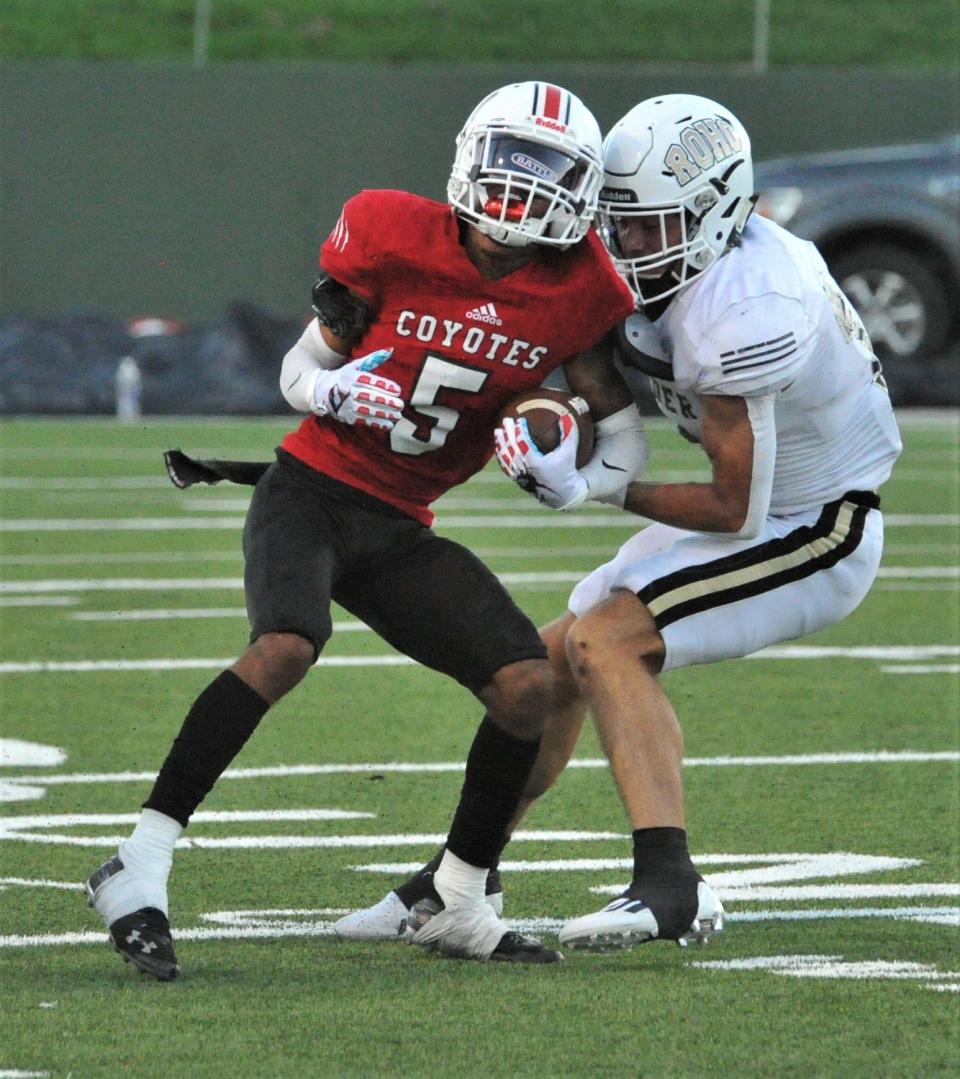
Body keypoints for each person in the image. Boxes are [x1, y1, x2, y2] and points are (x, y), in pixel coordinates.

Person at [82, 81, 644, 979]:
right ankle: (138, 861)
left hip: (398, 526)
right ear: (471, 157)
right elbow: (300, 366)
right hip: (309, 490)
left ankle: (459, 893)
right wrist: (334, 389)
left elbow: (619, 438)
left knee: (527, 686)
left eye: (543, 174)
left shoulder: (578, 291)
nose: (516, 192)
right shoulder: (391, 232)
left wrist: (568, 485)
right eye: (508, 164)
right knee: (287, 643)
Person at [334, 93, 902, 953]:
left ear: (717, 212)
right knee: (546, 661)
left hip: (816, 524)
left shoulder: (751, 305)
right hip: (762, 512)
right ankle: (455, 879)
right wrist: (550, 421)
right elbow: (589, 378)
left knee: (606, 640)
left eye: (650, 228)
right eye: (617, 222)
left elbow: (732, 505)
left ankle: (671, 882)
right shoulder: (653, 267)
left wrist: (594, 487)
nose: (627, 245)